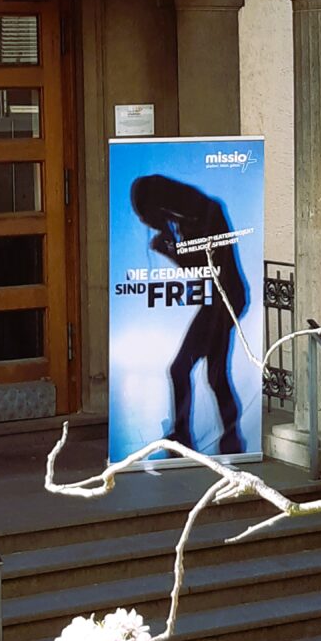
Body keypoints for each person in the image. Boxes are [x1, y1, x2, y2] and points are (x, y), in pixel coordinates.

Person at [130, 174, 248, 454]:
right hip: (220, 299)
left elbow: (205, 266)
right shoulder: (191, 216)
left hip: (224, 301)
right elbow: (199, 266)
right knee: (214, 376)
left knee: (185, 369)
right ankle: (228, 438)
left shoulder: (206, 213)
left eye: (148, 217)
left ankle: (190, 436)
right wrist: (171, 244)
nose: (150, 224)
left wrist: (169, 249)